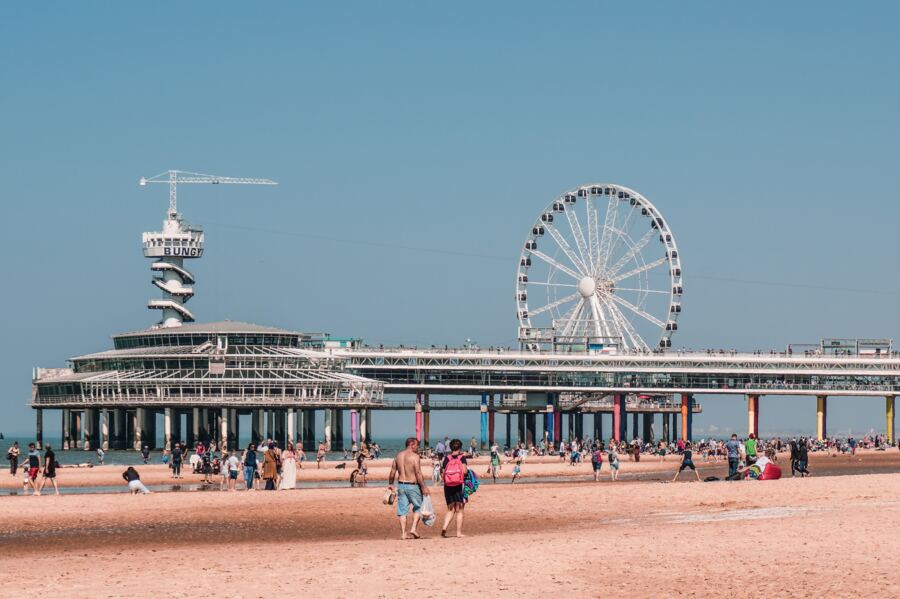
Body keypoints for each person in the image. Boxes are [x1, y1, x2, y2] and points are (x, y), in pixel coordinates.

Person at [387, 437, 430, 540]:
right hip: (412, 485)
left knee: (402, 511)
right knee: (418, 507)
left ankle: (403, 533)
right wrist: (424, 487)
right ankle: (413, 529)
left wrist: (391, 484)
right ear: (412, 445)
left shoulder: (398, 456)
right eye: (417, 445)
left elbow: (392, 471)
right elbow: (418, 473)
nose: (418, 448)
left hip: (401, 485)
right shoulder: (415, 457)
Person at [440, 439, 469, 538]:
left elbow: (443, 473)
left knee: (450, 509)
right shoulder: (462, 458)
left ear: (450, 447)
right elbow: (465, 471)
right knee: (460, 509)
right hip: (459, 484)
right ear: (460, 447)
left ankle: (444, 527)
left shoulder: (447, 458)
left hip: (448, 485)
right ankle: (458, 533)